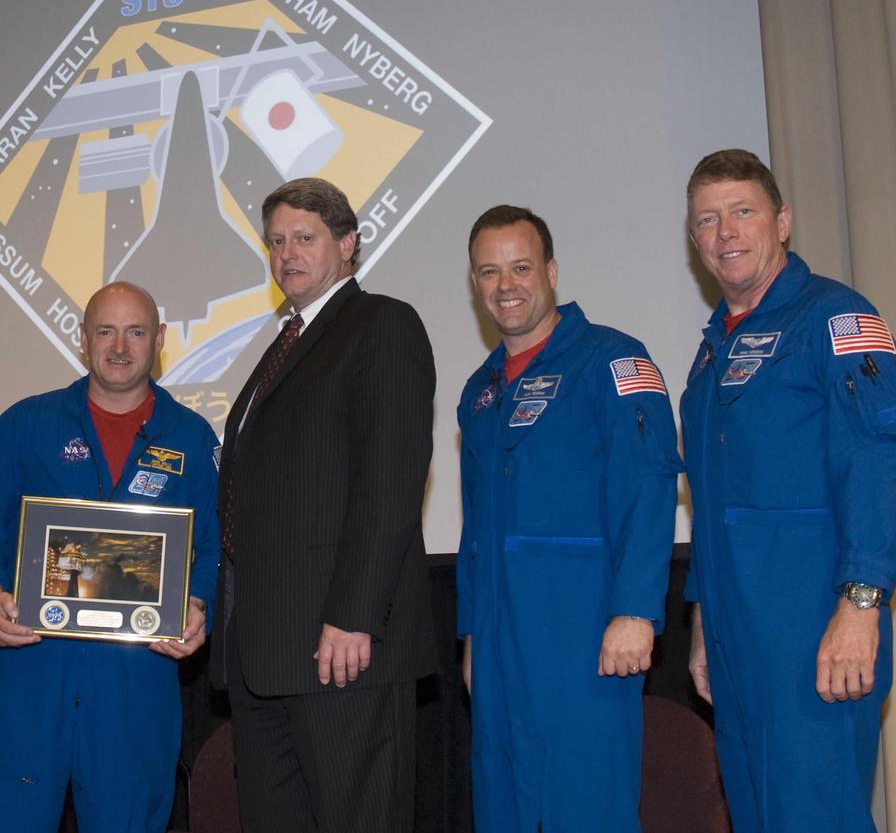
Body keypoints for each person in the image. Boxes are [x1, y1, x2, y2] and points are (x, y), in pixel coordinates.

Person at [210, 177, 438, 833]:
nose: (287, 254)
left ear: (348, 242)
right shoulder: (282, 348)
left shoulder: (381, 325)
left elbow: (390, 482)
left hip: (339, 650)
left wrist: (354, 615)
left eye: (304, 237)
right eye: (276, 241)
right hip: (267, 656)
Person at [681, 149, 896, 832]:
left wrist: (862, 604)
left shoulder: (835, 317)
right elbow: (712, 505)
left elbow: (876, 459)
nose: (726, 233)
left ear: (783, 222)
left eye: (743, 212)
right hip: (736, 632)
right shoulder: (713, 348)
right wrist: (702, 624)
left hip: (814, 625)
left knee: (816, 816)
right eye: (708, 220)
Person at [0, 281, 219, 832]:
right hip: (36, 668)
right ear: (83, 339)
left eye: (135, 332)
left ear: (159, 340)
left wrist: (196, 606)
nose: (119, 346)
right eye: (106, 330)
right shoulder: (27, 425)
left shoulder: (192, 439)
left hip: (137, 678)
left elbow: (212, 544)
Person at [456, 205, 680, 831]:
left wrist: (635, 611)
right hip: (500, 643)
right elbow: (475, 527)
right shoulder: (480, 392)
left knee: (586, 804)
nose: (506, 285)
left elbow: (648, 486)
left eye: (521, 267)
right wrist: (473, 633)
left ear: (551, 271)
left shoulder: (612, 361)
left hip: (584, 634)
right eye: (489, 272)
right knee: (503, 802)